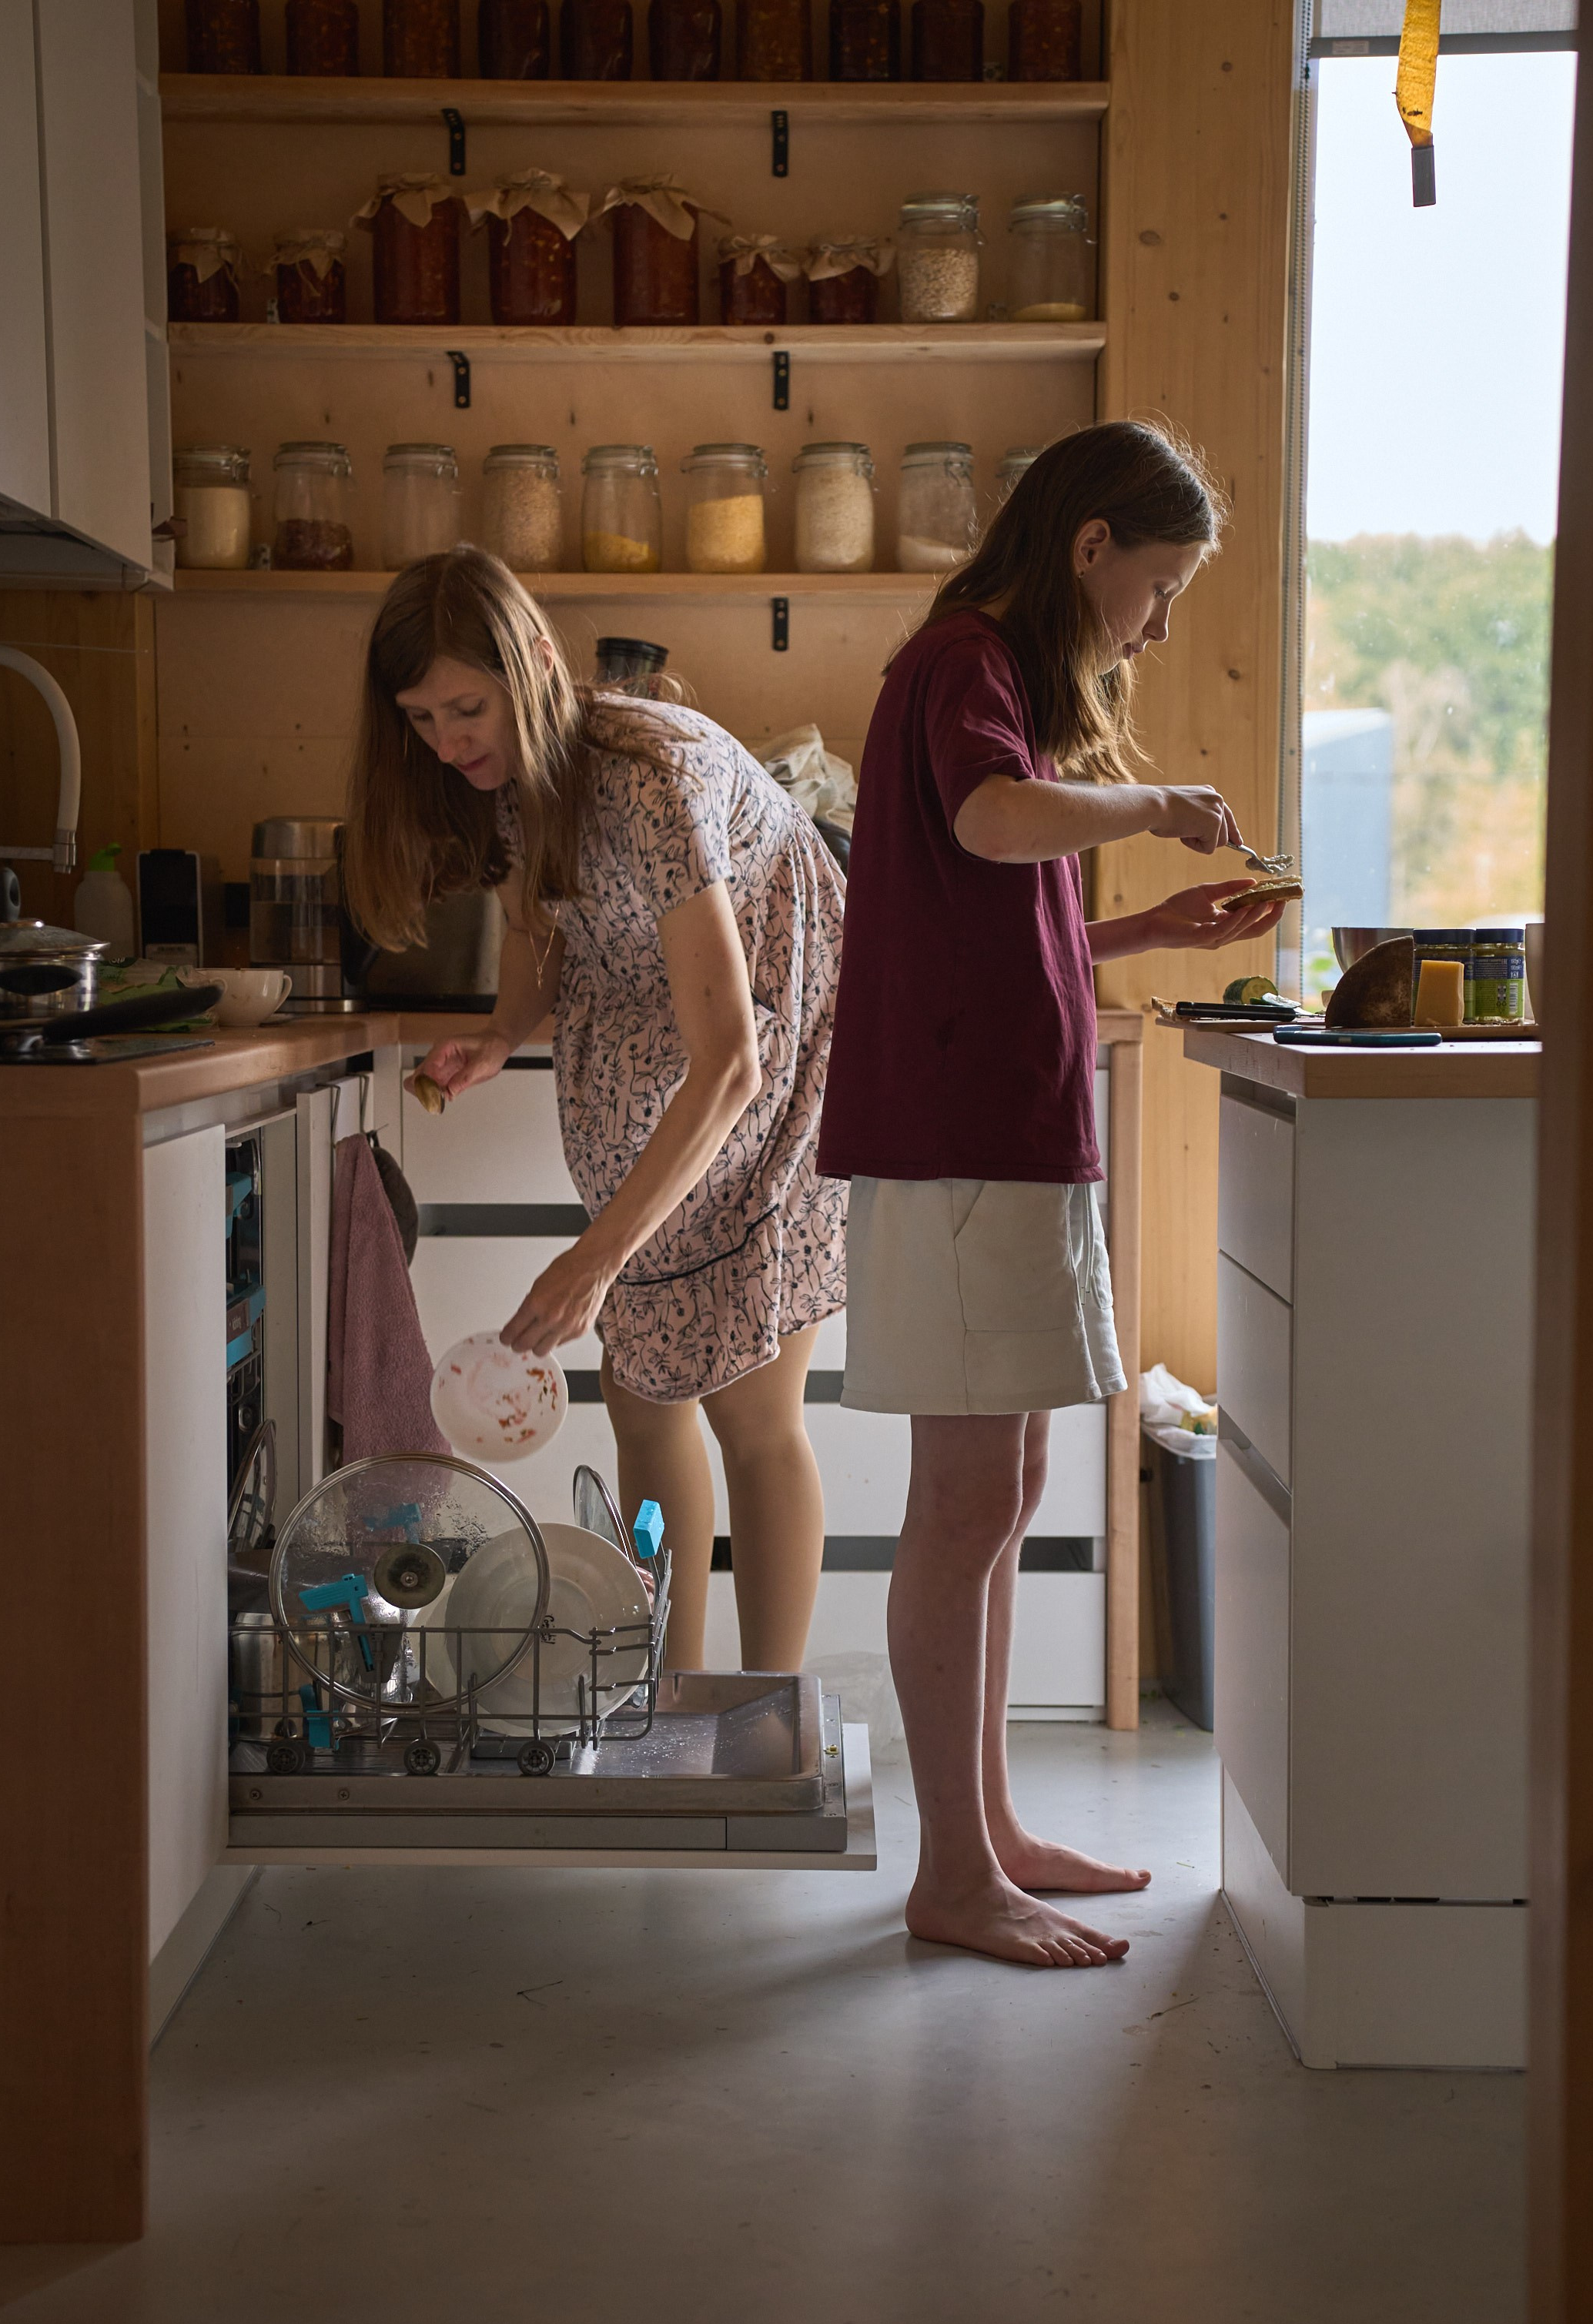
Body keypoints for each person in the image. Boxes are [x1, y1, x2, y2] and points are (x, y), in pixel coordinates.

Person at [816, 420, 1288, 1970]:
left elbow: (1004, 930)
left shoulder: (990, 680)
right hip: (959, 1145)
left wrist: (1148, 932)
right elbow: (987, 820)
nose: (1155, 624)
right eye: (1157, 586)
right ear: (1091, 544)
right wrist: (1158, 803)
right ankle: (953, 1871)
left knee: (1000, 1495)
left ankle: (990, 1827)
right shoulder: (966, 662)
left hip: (998, 1138)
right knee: (963, 1504)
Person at [344, 547, 845, 1675]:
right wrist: (502, 1033)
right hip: (668, 1104)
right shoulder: (510, 783)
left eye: (465, 707)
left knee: (753, 1420)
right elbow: (541, 928)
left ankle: (764, 1707)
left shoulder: (648, 777)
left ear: (529, 662)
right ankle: (672, 1692)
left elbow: (731, 1062)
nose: (446, 740)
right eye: (421, 719)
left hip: (774, 1075)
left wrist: (592, 1261)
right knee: (644, 1407)